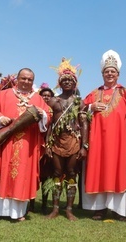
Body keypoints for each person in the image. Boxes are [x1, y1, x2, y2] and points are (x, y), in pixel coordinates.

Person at [0, 68, 51, 221]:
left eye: (29, 79)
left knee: (20, 176)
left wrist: (42, 114)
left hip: (26, 144)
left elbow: (47, 115)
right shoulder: (4, 95)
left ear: (33, 81)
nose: (26, 81)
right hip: (4, 143)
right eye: (23, 78)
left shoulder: (38, 99)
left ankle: (16, 212)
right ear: (17, 79)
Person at [82, 50, 126, 221]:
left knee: (118, 171)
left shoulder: (125, 92)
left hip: (119, 141)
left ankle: (118, 209)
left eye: (113, 71)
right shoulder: (94, 93)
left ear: (118, 74)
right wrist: (91, 107)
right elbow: (80, 111)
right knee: (99, 170)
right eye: (107, 71)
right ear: (102, 74)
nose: (110, 74)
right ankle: (99, 209)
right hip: (98, 140)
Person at [45, 58, 88, 221]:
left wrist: (84, 146)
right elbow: (49, 124)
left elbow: (84, 124)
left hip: (74, 142)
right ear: (60, 83)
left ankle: (69, 209)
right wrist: (47, 144)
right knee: (56, 173)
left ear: (75, 83)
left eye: (70, 80)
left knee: (71, 174)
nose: (67, 82)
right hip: (56, 142)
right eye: (64, 80)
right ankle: (55, 209)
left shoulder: (79, 102)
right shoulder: (53, 101)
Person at [28, 84, 55, 214]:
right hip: (33, 146)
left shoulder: (53, 111)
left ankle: (44, 203)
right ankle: (31, 203)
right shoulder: (33, 108)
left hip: (48, 146)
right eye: (43, 95)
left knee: (46, 177)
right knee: (32, 175)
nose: (46, 97)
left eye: (48, 96)